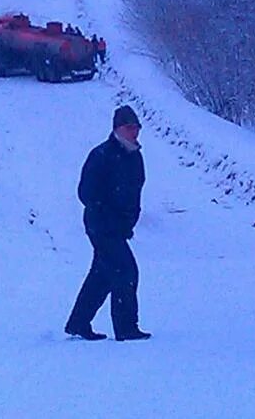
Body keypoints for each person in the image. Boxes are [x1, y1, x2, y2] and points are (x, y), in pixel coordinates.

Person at [65, 105, 151, 341]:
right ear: (117, 129)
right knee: (126, 271)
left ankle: (78, 323)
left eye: (137, 127)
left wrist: (129, 220)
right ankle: (126, 328)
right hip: (101, 227)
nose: (134, 132)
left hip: (120, 228)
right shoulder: (101, 155)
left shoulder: (135, 157)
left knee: (102, 274)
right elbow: (85, 193)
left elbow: (135, 192)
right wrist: (107, 214)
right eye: (129, 127)